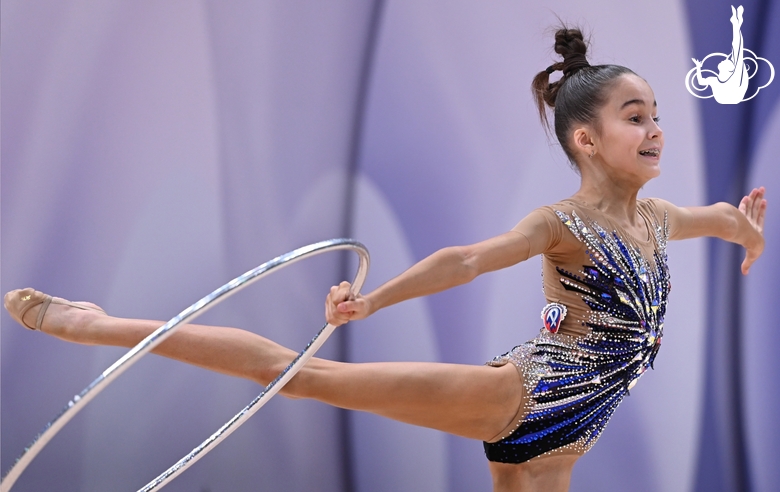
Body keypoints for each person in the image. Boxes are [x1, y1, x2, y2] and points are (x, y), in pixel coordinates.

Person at [4, 28, 767, 491]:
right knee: (296, 376)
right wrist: (375, 303)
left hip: (577, 422)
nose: (657, 128)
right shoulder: (560, 221)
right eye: (637, 117)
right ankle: (92, 323)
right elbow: (466, 260)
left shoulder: (661, 219)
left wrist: (748, 230)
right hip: (527, 395)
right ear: (586, 141)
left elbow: (720, 220)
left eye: (659, 115)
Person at [692, 5, 749, 104]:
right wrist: (697, 67)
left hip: (733, 96)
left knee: (737, 51)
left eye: (728, 61)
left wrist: (736, 26)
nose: (725, 59)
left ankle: (736, 23)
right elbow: (701, 82)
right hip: (728, 97)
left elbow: (737, 49)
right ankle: (736, 23)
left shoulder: (733, 78)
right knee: (737, 51)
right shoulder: (715, 80)